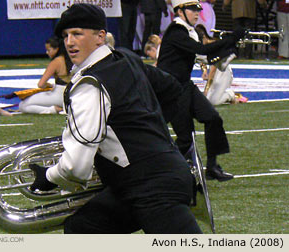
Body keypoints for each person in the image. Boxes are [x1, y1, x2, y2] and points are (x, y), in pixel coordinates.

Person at [30, 3, 202, 234]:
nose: (69, 42)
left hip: (152, 188)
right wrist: (147, 131)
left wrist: (49, 176)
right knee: (82, 228)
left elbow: (77, 167)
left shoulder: (89, 84)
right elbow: (171, 88)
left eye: (78, 34)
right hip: (145, 182)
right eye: (66, 35)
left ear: (100, 36)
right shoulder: (126, 58)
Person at [157, 0, 246, 181]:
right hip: (172, 90)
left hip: (185, 85)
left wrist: (229, 47)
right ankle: (168, 174)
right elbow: (202, 49)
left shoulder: (189, 32)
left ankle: (212, 166)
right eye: (191, 9)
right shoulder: (176, 31)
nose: (197, 13)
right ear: (179, 12)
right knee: (185, 138)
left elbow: (206, 56)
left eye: (197, 9)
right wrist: (231, 39)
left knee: (213, 118)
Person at [195, 24, 248, 105]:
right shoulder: (205, 46)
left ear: (204, 36)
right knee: (208, 99)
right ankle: (225, 95)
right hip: (215, 74)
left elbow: (213, 67)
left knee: (213, 101)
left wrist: (207, 88)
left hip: (222, 73)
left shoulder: (214, 45)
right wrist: (204, 71)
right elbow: (203, 60)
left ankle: (232, 95)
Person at [18, 37, 72, 114]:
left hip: (59, 95)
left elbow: (41, 84)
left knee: (23, 105)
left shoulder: (56, 62)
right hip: (74, 94)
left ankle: (55, 109)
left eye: (49, 50)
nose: (47, 52)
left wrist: (48, 86)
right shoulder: (73, 59)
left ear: (56, 49)